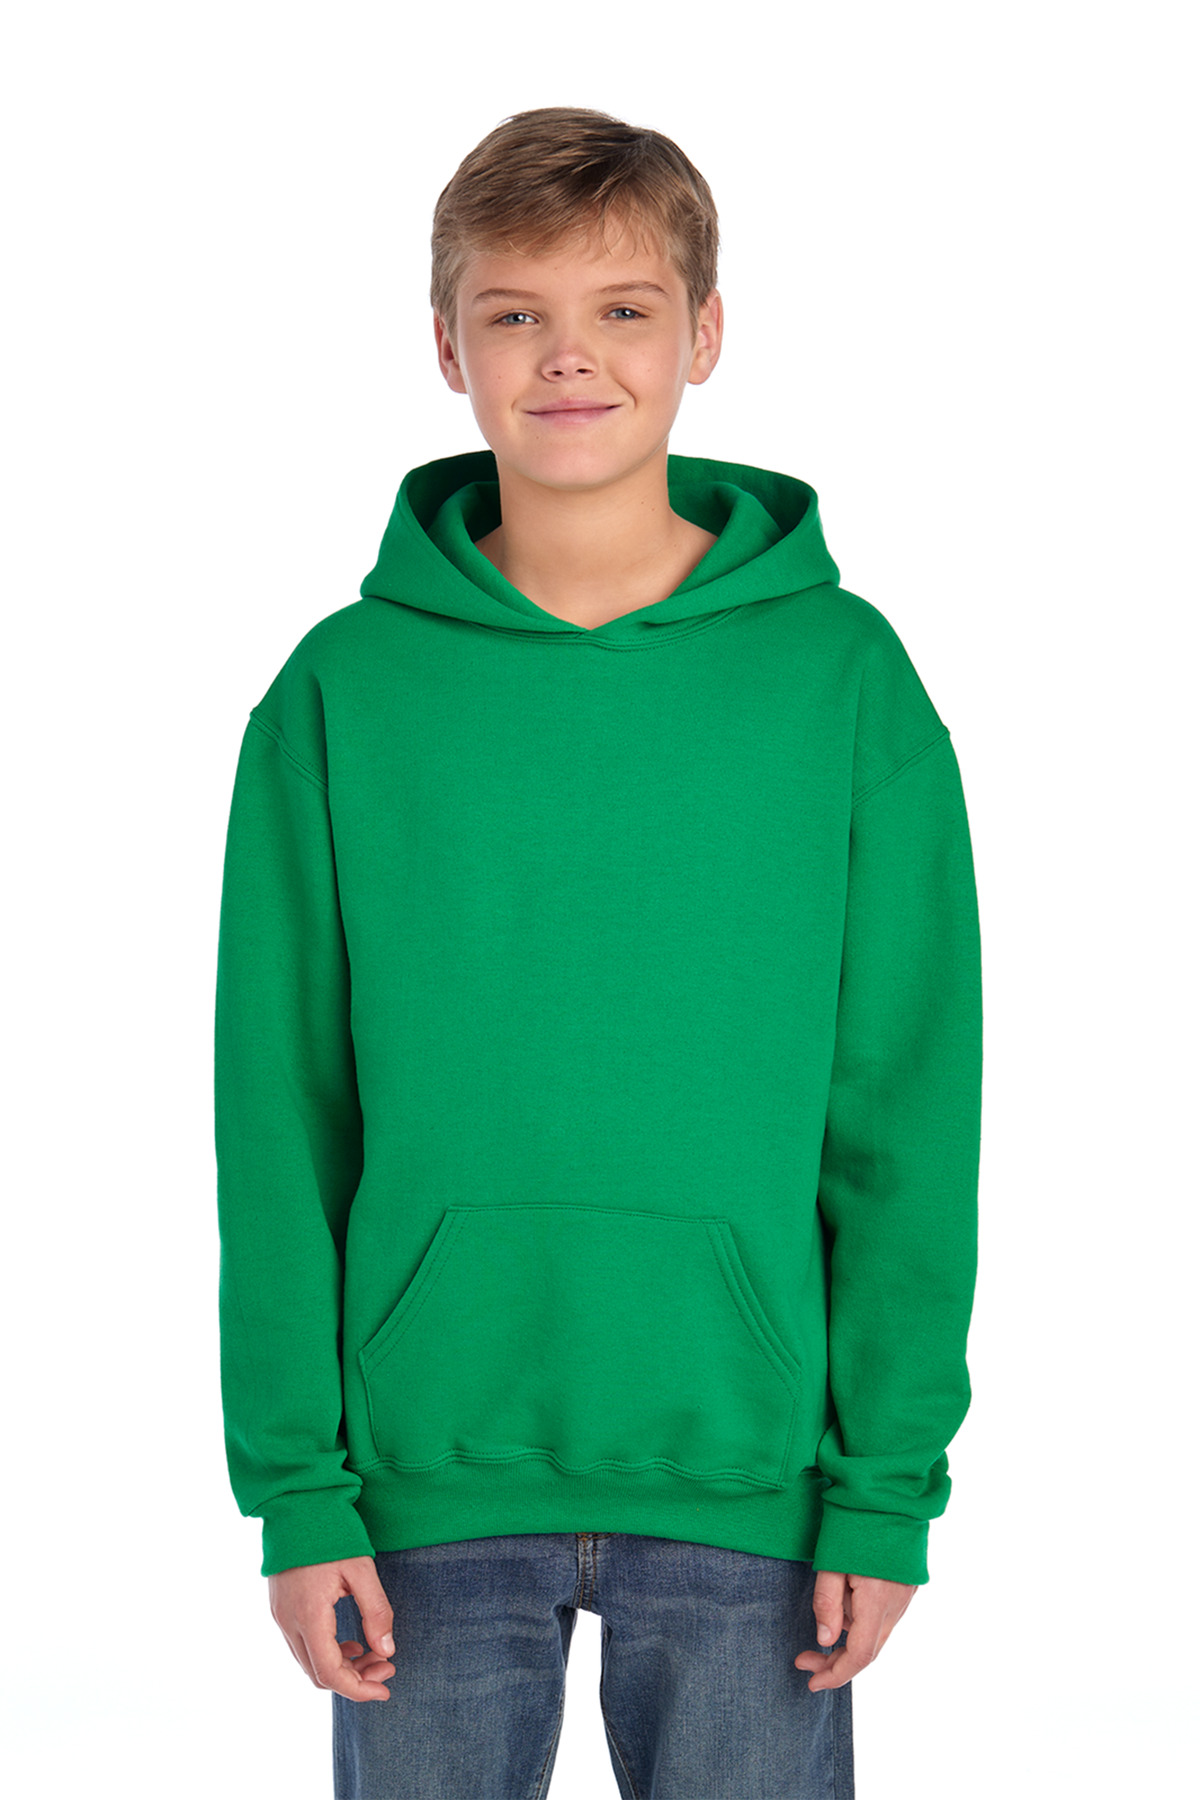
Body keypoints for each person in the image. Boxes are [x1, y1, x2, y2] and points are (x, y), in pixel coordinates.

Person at [213, 105, 983, 1799]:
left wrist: (883, 1486)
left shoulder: (842, 681)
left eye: (623, 309)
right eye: (517, 313)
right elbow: (278, 1111)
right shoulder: (343, 691)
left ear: (704, 334)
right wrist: (297, 1488)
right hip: (416, 1493)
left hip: (751, 1485)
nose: (569, 356)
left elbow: (906, 1108)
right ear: (448, 347)